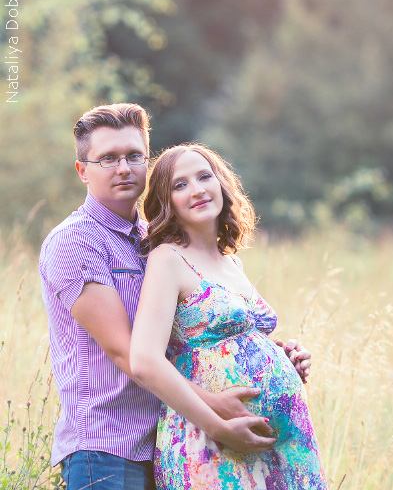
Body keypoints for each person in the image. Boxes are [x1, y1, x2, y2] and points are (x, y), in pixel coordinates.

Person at [39, 103, 310, 490]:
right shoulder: (75, 242)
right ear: (83, 170)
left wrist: (268, 356)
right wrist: (213, 410)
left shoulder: (156, 239)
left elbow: (191, 333)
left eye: (134, 156)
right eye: (108, 158)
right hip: (107, 448)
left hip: (169, 439)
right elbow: (127, 353)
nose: (124, 168)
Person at [130, 143, 328, 490]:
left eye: (204, 177)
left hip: (284, 446)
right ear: (166, 201)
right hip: (212, 445)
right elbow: (145, 361)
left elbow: (233, 343)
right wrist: (218, 428)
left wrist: (283, 357)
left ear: (221, 183)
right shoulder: (168, 259)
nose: (197, 190)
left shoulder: (231, 262)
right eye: (180, 185)